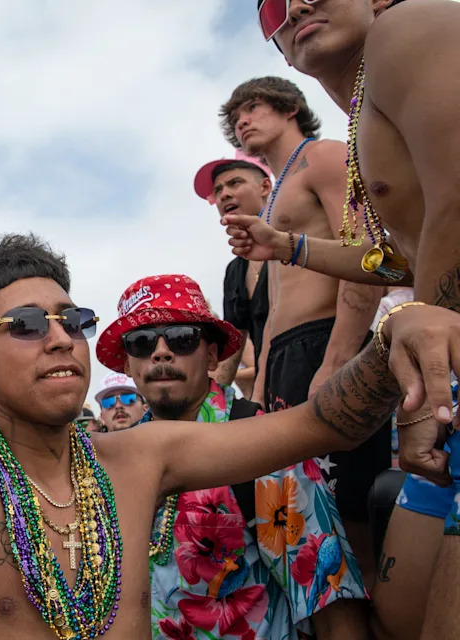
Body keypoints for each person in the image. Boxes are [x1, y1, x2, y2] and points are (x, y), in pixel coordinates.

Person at [0, 5, 460, 637]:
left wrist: (397, 333)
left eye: (72, 317)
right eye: (23, 324)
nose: (59, 336)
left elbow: (322, 426)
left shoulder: (137, 460)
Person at [228, 2, 460, 637]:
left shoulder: (407, 31)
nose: (297, 3)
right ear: (277, 43)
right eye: (273, 6)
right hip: (435, 356)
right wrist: (292, 247)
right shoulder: (365, 119)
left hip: (436, 356)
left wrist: (408, 346)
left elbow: (457, 195)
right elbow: (399, 257)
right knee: (401, 611)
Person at [109, 275, 368, 639]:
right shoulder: (117, 460)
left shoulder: (263, 448)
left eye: (182, 338)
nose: (161, 352)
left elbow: (330, 601)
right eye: (141, 342)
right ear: (127, 365)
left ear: (212, 355)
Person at [218, 76, 387, 578]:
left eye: (251, 107)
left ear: (289, 106)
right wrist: (264, 386)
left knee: (350, 519)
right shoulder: (271, 203)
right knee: (299, 526)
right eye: (235, 118)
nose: (242, 121)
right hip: (287, 358)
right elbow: (273, 310)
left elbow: (368, 263)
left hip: (330, 344)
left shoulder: (327, 157)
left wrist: (336, 361)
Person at [194, 152, 271, 402]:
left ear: (265, 187)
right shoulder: (235, 270)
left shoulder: (298, 244)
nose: (224, 194)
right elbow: (234, 346)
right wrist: (206, 408)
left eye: (235, 183)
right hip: (274, 397)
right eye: (218, 190)